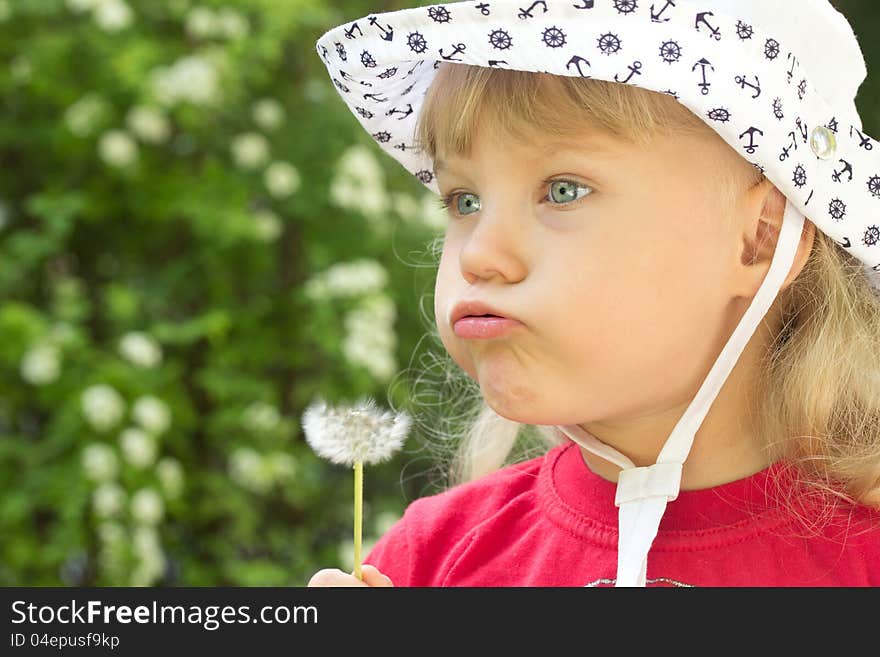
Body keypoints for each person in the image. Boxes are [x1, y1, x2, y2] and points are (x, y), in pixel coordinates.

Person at [307, 0, 880, 586]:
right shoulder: (427, 561)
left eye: (562, 190)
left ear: (758, 239)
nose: (478, 253)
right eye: (464, 201)